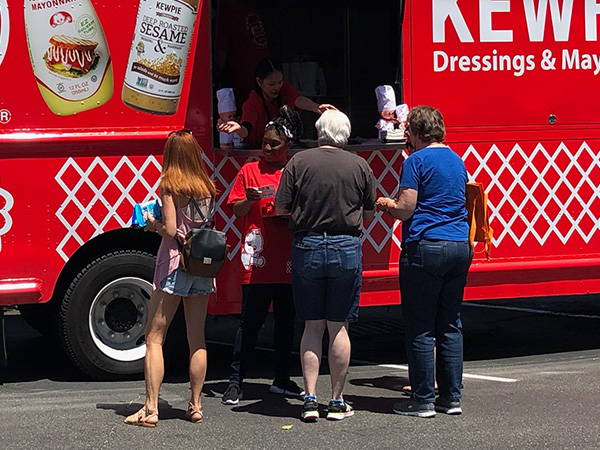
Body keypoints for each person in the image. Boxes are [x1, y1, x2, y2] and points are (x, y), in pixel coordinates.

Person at [275, 110, 375, 422]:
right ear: (344, 134)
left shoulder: (298, 162)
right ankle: (336, 400)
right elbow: (369, 211)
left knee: (312, 326)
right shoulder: (359, 164)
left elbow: (281, 206)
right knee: (338, 326)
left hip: (308, 246)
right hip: (346, 246)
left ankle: (308, 399)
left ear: (319, 132)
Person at [375, 105, 472, 418]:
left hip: (426, 245)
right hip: (459, 244)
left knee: (420, 326)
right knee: (450, 323)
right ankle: (451, 397)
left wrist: (385, 203)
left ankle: (423, 399)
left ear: (414, 133)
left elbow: (406, 207)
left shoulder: (416, 160)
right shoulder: (457, 160)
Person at [123, 130, 217, 427]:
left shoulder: (169, 184)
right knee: (197, 339)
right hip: (202, 266)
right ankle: (196, 405)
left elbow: (173, 228)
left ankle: (150, 409)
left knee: (154, 337)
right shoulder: (206, 186)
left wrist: (153, 224)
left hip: (175, 263)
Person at [221, 106, 305, 405]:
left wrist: (287, 213)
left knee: (286, 322)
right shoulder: (249, 170)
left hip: (288, 258)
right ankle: (236, 380)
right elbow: (236, 209)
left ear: (288, 146)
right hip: (256, 259)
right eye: (265, 142)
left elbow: (304, 212)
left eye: (274, 144)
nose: (267, 148)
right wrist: (249, 198)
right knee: (250, 323)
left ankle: (281, 378)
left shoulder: (295, 170)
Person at [217, 58, 336, 148]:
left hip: (282, 147)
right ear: (259, 82)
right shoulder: (253, 102)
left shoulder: (284, 89)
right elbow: (246, 129)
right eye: (271, 84)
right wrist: (238, 129)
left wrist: (317, 108)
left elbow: (298, 100)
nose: (277, 87)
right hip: (259, 149)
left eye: (280, 82)